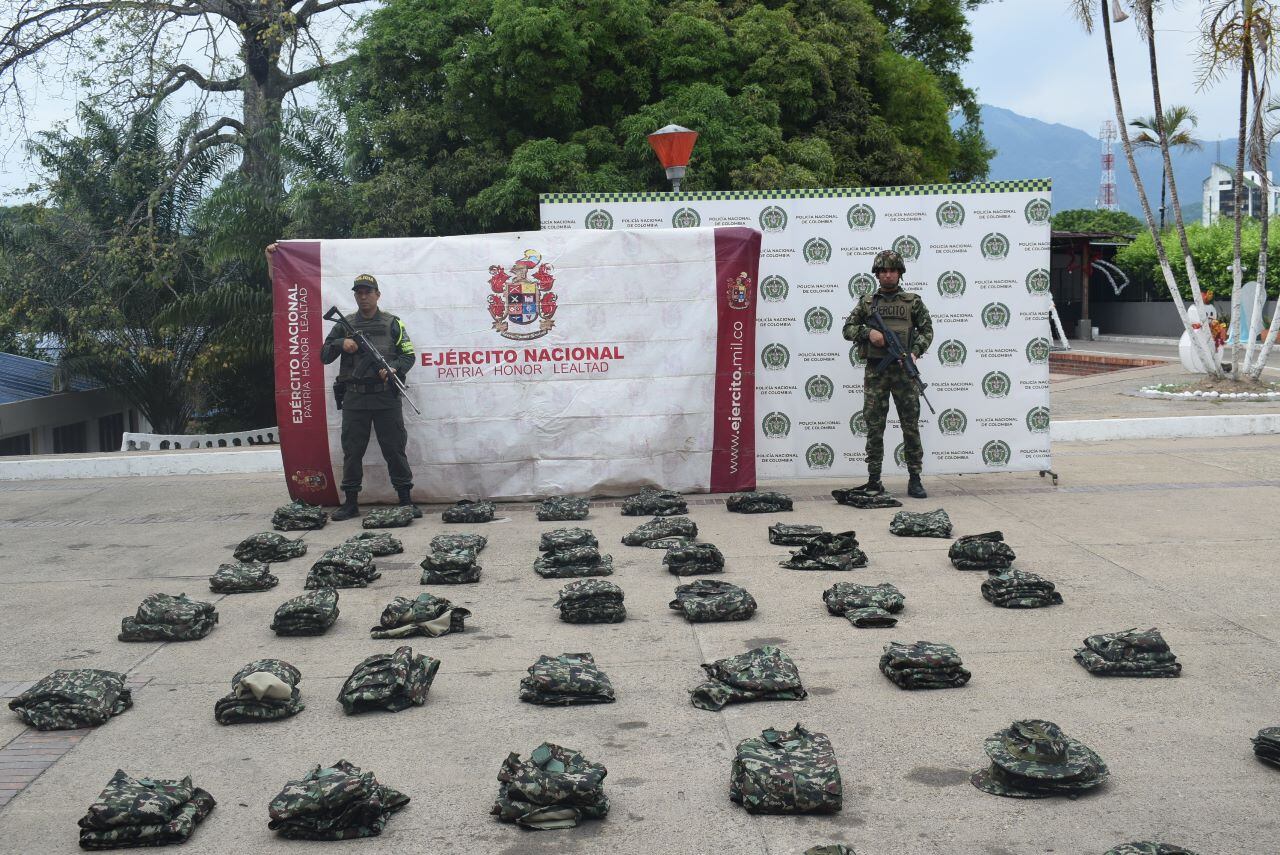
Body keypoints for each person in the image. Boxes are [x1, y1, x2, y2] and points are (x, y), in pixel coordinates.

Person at [842, 249, 934, 499]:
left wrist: (915, 352)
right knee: (874, 427)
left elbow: (927, 331)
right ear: (877, 274)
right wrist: (868, 334)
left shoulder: (912, 302)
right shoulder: (868, 303)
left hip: (904, 372)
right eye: (883, 270)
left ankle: (915, 479)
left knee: (910, 426)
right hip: (876, 373)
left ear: (900, 273)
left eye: (892, 270)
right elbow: (848, 328)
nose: (888, 274)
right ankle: (874, 479)